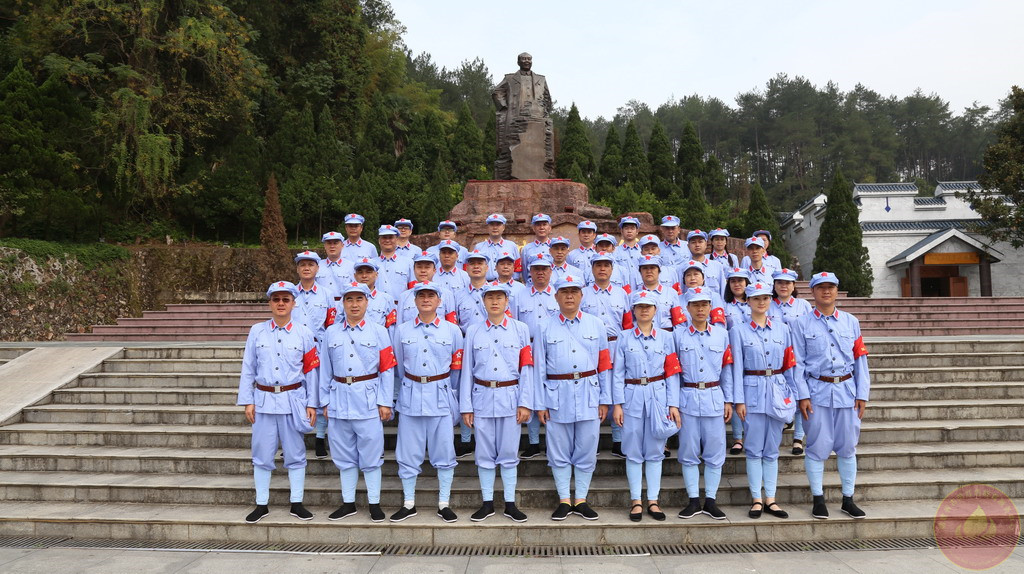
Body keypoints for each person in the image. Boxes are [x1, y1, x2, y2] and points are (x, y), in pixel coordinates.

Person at [238, 281, 320, 523]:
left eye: (286, 299)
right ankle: (261, 504)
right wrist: (247, 400)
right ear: (269, 303)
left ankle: (297, 503)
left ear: (294, 303)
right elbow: (248, 367)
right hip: (263, 400)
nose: (281, 303)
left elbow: (311, 370)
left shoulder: (304, 333)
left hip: (292, 400)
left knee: (295, 453)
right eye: (276, 299)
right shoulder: (257, 331)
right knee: (262, 454)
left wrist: (312, 403)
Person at [792, 272, 870, 520]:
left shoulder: (851, 322)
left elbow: (860, 359)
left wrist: (862, 393)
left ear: (837, 290)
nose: (826, 291)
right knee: (817, 446)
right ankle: (818, 498)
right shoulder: (800, 324)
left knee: (847, 446)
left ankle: (848, 498)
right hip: (817, 392)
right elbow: (798, 363)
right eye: (821, 287)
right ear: (813, 292)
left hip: (847, 391)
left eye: (831, 287)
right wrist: (802, 396)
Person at [534, 275, 612, 521]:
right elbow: (539, 368)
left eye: (574, 291)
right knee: (558, 450)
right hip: (557, 395)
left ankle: (581, 499)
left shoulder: (596, 324)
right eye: (564, 292)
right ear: (555, 296)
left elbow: (604, 364)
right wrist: (540, 403)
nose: (569, 296)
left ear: (581, 295)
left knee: (587, 448)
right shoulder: (544, 326)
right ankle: (564, 499)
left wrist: (605, 399)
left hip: (589, 393)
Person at [318, 282, 395, 523]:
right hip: (339, 398)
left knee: (371, 455)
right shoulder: (331, 332)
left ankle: (374, 503)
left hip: (368, 399)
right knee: (343, 455)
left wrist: (385, 401)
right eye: (349, 299)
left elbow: (387, 369)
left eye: (359, 299)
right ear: (343, 303)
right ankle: (348, 502)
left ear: (367, 302)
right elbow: (325, 369)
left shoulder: (379, 331)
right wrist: (324, 401)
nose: (354, 304)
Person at [459, 283, 534, 522]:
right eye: (489, 297)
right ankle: (487, 503)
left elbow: (526, 368)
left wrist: (525, 402)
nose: (494, 301)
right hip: (482, 397)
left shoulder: (520, 329)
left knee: (509, 452)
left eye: (499, 297)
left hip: (510, 397)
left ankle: (510, 503)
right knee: (484, 453)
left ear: (506, 301)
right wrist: (466, 406)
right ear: (483, 301)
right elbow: (467, 370)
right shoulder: (473, 330)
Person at [390, 282, 465, 523]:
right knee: (407, 452)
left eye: (430, 295)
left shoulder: (452, 330)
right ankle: (408, 503)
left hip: (440, 395)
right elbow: (399, 367)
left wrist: (450, 393)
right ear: (414, 301)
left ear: (439, 301)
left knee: (444, 451)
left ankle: (444, 503)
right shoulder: (402, 330)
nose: (425, 299)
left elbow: (457, 368)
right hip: (411, 395)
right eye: (421, 295)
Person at [611, 290, 682, 522]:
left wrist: (673, 404)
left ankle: (653, 500)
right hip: (632, 396)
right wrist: (617, 404)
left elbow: (671, 373)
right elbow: (617, 373)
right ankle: (636, 501)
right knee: (633, 451)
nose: (644, 310)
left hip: (657, 396)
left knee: (655, 451)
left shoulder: (666, 337)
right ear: (633, 310)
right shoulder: (624, 337)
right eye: (639, 306)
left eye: (648, 306)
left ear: (655, 310)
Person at [730, 281, 798, 521]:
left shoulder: (782, 329)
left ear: (770, 300)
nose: (761, 302)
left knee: (772, 449)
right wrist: (738, 400)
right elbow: (736, 368)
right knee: (753, 449)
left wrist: (793, 395)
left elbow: (789, 365)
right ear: (748, 301)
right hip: (752, 392)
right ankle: (756, 498)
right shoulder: (738, 331)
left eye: (765, 298)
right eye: (756, 298)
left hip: (778, 391)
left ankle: (771, 498)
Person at [674, 287, 734, 521]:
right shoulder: (678, 335)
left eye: (704, 304)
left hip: (713, 397)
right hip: (688, 397)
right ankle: (693, 500)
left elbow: (727, 369)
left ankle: (710, 500)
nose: (700, 309)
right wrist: (673, 403)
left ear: (710, 307)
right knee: (688, 452)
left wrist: (728, 399)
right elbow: (674, 373)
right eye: (695, 304)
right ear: (687, 308)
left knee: (715, 452)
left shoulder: (722, 334)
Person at [292, 251, 338, 459]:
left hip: (318, 350)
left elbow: (331, 323)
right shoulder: (290, 293)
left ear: (318, 268)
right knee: (296, 393)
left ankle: (320, 437)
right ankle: (295, 439)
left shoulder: (327, 294)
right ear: (297, 268)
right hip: (294, 350)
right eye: (302, 264)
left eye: (310, 264)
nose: (306, 268)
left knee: (319, 394)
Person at [515, 254, 560, 458]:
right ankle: (533, 442)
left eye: (544, 269)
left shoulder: (558, 294)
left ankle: (553, 441)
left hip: (553, 348)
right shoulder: (519, 295)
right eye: (536, 269)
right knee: (530, 393)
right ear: (530, 272)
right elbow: (515, 324)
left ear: (551, 271)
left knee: (551, 392)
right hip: (528, 347)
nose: (540, 273)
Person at [770, 267, 813, 455]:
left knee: (800, 392)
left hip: (798, 357)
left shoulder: (803, 305)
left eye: (787, 283)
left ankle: (798, 438)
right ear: (774, 285)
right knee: (782, 392)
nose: (783, 286)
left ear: (793, 285)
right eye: (779, 283)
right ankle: (783, 422)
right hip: (776, 358)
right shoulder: (768, 304)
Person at [492, 52, 554, 180]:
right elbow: (497, 92)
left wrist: (544, 111)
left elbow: (547, 97)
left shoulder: (541, 79)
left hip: (536, 117)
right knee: (511, 148)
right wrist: (504, 107)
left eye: (529, 59)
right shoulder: (510, 78)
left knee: (539, 148)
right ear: (518, 62)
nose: (526, 61)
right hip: (516, 116)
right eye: (524, 59)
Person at [724, 267, 751, 456]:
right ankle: (737, 438)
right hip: (733, 354)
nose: (737, 284)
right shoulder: (725, 306)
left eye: (741, 281)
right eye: (733, 281)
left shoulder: (755, 302)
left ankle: (751, 434)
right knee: (734, 395)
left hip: (752, 354)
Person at [395, 252, 458, 326]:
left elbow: (451, 324)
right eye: (419, 267)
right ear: (414, 270)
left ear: (434, 270)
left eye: (427, 267)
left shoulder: (446, 294)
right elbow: (399, 325)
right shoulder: (404, 296)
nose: (423, 271)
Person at [635, 255, 687, 332]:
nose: (649, 271)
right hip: (640, 335)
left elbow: (678, 322)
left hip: (666, 335)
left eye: (652, 268)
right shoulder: (633, 296)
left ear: (659, 271)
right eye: (645, 268)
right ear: (640, 272)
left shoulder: (671, 293)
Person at [352, 258, 397, 330]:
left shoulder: (386, 299)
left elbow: (391, 329)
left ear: (376, 274)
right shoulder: (346, 299)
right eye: (360, 272)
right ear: (355, 276)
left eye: (368, 272)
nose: (364, 276)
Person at [474, 213, 520, 281]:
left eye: (498, 224)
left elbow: (517, 267)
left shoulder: (511, 246)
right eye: (492, 224)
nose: (495, 227)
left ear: (503, 227)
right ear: (487, 227)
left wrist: (513, 282)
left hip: (507, 283)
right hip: (485, 284)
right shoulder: (479, 247)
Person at [376, 225, 413, 302]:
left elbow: (412, 289)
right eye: (384, 237)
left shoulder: (408, 263)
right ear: (379, 240)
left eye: (391, 237)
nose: (387, 240)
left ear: (396, 240)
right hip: (377, 306)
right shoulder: (373, 263)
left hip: (399, 306)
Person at [684, 229, 726, 298]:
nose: (697, 245)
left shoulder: (717, 266)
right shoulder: (682, 268)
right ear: (688, 246)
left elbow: (723, 292)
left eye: (700, 242)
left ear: (706, 244)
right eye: (693, 242)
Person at [317, 231, 356, 302]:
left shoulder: (351, 266)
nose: (332, 246)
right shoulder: (317, 265)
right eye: (329, 243)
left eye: (335, 243)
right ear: (325, 246)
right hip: (321, 304)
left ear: (342, 245)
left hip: (343, 304)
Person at [520, 213, 553, 287]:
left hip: (552, 287)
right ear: (533, 228)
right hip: (532, 286)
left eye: (544, 224)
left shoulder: (555, 247)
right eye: (538, 225)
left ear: (550, 228)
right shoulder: (527, 249)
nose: (541, 227)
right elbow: (525, 272)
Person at [613, 216, 643, 288]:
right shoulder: (615, 252)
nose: (629, 231)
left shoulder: (643, 251)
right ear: (621, 231)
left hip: (641, 288)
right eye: (626, 228)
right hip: (622, 288)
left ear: (637, 231)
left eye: (632, 228)